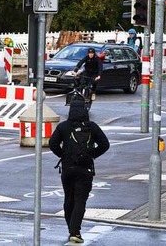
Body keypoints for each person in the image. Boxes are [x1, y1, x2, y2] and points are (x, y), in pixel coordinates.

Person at [49, 100, 110, 244]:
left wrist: (63, 155)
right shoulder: (92, 127)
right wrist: (92, 154)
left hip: (68, 169)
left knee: (68, 199)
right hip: (85, 169)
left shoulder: (63, 127)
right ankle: (75, 231)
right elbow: (105, 144)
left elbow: (53, 144)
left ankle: (71, 228)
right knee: (80, 200)